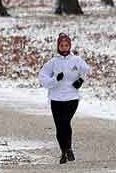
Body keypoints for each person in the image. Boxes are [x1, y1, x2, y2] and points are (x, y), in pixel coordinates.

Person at [38, 33, 89, 164]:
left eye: (66, 45)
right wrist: (54, 80)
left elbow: (86, 70)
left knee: (65, 121)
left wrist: (81, 80)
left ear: (70, 46)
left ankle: (69, 148)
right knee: (59, 126)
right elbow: (42, 78)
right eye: (62, 45)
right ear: (58, 46)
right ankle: (63, 152)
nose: (64, 47)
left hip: (72, 97)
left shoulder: (76, 60)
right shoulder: (53, 62)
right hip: (56, 98)